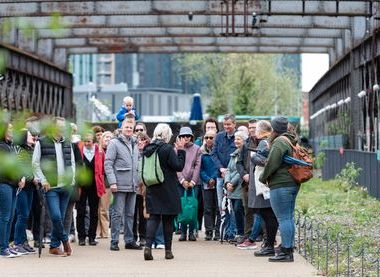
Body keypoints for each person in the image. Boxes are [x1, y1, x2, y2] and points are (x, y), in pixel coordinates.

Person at [32, 117, 75, 257]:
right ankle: (65, 241)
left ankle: (54, 246)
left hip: (66, 186)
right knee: (56, 216)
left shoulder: (67, 142)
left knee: (61, 217)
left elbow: (72, 163)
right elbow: (35, 163)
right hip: (51, 186)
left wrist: (72, 179)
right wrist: (43, 180)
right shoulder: (41, 142)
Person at [143, 123, 186, 261]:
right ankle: (168, 251)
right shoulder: (167, 148)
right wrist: (181, 151)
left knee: (153, 217)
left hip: (152, 186)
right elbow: (178, 166)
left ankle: (148, 247)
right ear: (167, 135)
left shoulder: (148, 148)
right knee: (168, 219)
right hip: (168, 187)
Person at [259, 116, 299, 262]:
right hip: (291, 183)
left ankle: (286, 252)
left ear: (274, 129)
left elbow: (272, 163)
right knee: (288, 217)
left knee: (283, 218)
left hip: (281, 185)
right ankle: (288, 248)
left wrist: (262, 178)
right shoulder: (290, 139)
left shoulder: (279, 142)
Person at [105, 115, 141, 251]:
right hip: (119, 184)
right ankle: (114, 241)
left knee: (131, 214)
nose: (129, 129)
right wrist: (112, 182)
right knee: (117, 214)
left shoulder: (135, 142)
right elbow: (108, 164)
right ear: (121, 127)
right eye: (126, 127)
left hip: (133, 185)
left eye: (131, 127)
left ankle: (129, 240)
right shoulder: (114, 143)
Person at [0, 123, 25, 258]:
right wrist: (18, 180)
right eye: (10, 129)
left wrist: (21, 178)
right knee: (4, 217)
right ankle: (2, 247)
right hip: (4, 184)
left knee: (10, 217)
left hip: (13, 184)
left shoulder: (10, 146)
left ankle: (5, 246)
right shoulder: (2, 147)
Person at [76, 132, 105, 246]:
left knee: (94, 211)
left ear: (94, 141)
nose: (87, 143)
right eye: (85, 141)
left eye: (89, 141)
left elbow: (102, 168)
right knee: (81, 211)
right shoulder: (79, 150)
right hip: (81, 185)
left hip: (95, 185)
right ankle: (81, 237)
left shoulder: (100, 151)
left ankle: (92, 237)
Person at [211, 114, 237, 240]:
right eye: (225, 124)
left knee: (234, 205)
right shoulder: (219, 137)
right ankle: (225, 231)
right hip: (220, 176)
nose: (226, 127)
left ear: (234, 124)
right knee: (222, 205)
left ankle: (232, 232)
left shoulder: (238, 137)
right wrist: (221, 168)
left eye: (229, 124)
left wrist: (229, 172)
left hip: (234, 177)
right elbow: (213, 154)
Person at [12, 129, 38, 255]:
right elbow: (23, 169)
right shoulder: (20, 150)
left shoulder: (30, 149)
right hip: (22, 187)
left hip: (30, 187)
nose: (33, 137)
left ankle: (23, 242)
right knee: (22, 215)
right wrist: (33, 178)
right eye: (30, 135)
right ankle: (18, 242)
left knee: (25, 215)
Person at [176, 126, 201, 242]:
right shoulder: (176, 149)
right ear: (179, 137)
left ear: (191, 137)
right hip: (180, 182)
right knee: (181, 206)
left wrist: (193, 181)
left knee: (192, 206)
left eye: (188, 135)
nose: (185, 138)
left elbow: (197, 165)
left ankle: (191, 231)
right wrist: (182, 180)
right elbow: (175, 166)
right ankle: (182, 232)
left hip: (193, 183)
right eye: (183, 136)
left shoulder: (197, 148)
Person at [224, 130, 247, 242]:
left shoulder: (245, 154)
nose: (236, 141)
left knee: (239, 209)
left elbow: (241, 170)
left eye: (239, 139)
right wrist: (227, 182)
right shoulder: (234, 154)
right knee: (234, 210)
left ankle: (242, 233)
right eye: (235, 139)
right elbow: (228, 169)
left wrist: (232, 182)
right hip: (231, 188)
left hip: (239, 187)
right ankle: (239, 233)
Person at [199, 130, 220, 241]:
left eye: (211, 137)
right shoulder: (201, 152)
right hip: (207, 184)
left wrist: (215, 178)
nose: (208, 140)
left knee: (218, 208)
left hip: (218, 183)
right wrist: (208, 179)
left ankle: (217, 231)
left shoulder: (218, 151)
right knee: (207, 208)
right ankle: (209, 230)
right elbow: (200, 169)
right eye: (206, 137)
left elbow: (220, 165)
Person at [97, 131, 114, 239]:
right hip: (96, 182)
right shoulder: (97, 150)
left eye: (110, 137)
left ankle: (104, 232)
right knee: (96, 208)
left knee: (103, 208)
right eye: (106, 137)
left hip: (106, 183)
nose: (107, 139)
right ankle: (97, 231)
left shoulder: (113, 151)